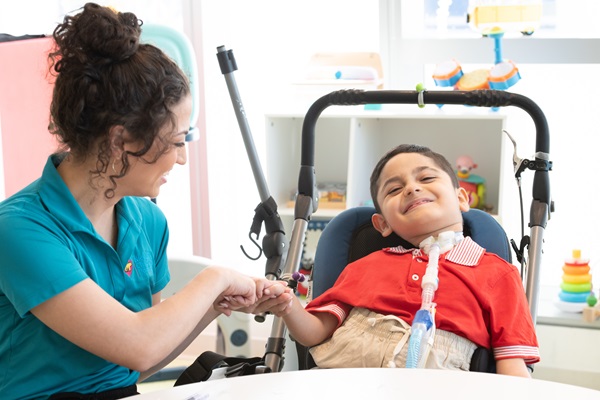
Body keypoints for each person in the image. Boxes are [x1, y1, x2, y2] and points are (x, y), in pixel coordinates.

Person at [0, 3, 292, 399]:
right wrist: (214, 279)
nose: (183, 157)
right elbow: (139, 343)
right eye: (176, 142)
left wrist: (215, 304)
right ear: (121, 141)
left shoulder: (148, 221)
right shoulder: (20, 230)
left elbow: (138, 361)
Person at [267, 144, 539, 377]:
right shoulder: (365, 266)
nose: (411, 188)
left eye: (427, 178)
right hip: (348, 377)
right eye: (394, 189)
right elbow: (315, 333)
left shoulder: (497, 274)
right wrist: (288, 305)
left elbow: (512, 369)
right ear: (382, 224)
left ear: (461, 198)